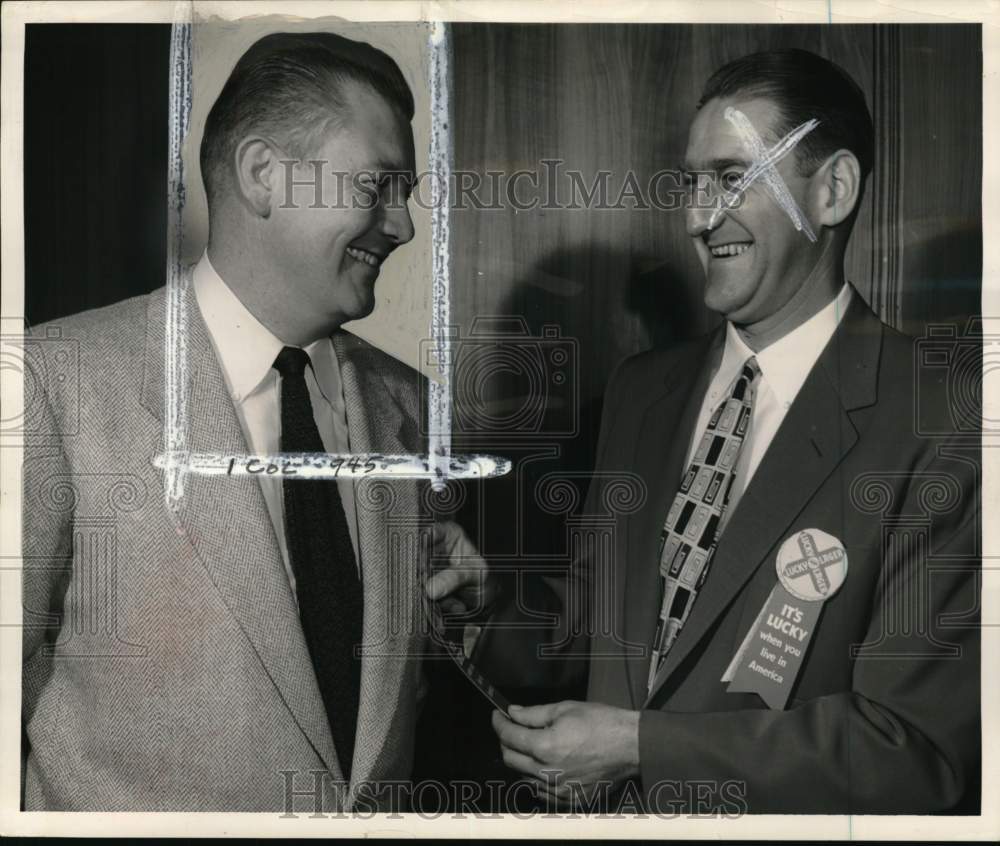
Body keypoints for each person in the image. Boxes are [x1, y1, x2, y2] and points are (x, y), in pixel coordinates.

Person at [429, 48, 980, 814]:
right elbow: (599, 636)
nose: (696, 215)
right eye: (690, 182)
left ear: (832, 191)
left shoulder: (941, 420)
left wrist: (639, 748)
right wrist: (489, 610)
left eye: (731, 178)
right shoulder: (643, 392)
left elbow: (913, 753)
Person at [21, 31, 426, 812]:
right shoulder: (51, 385)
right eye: (378, 185)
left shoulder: (409, 405)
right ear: (263, 175)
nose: (402, 225)